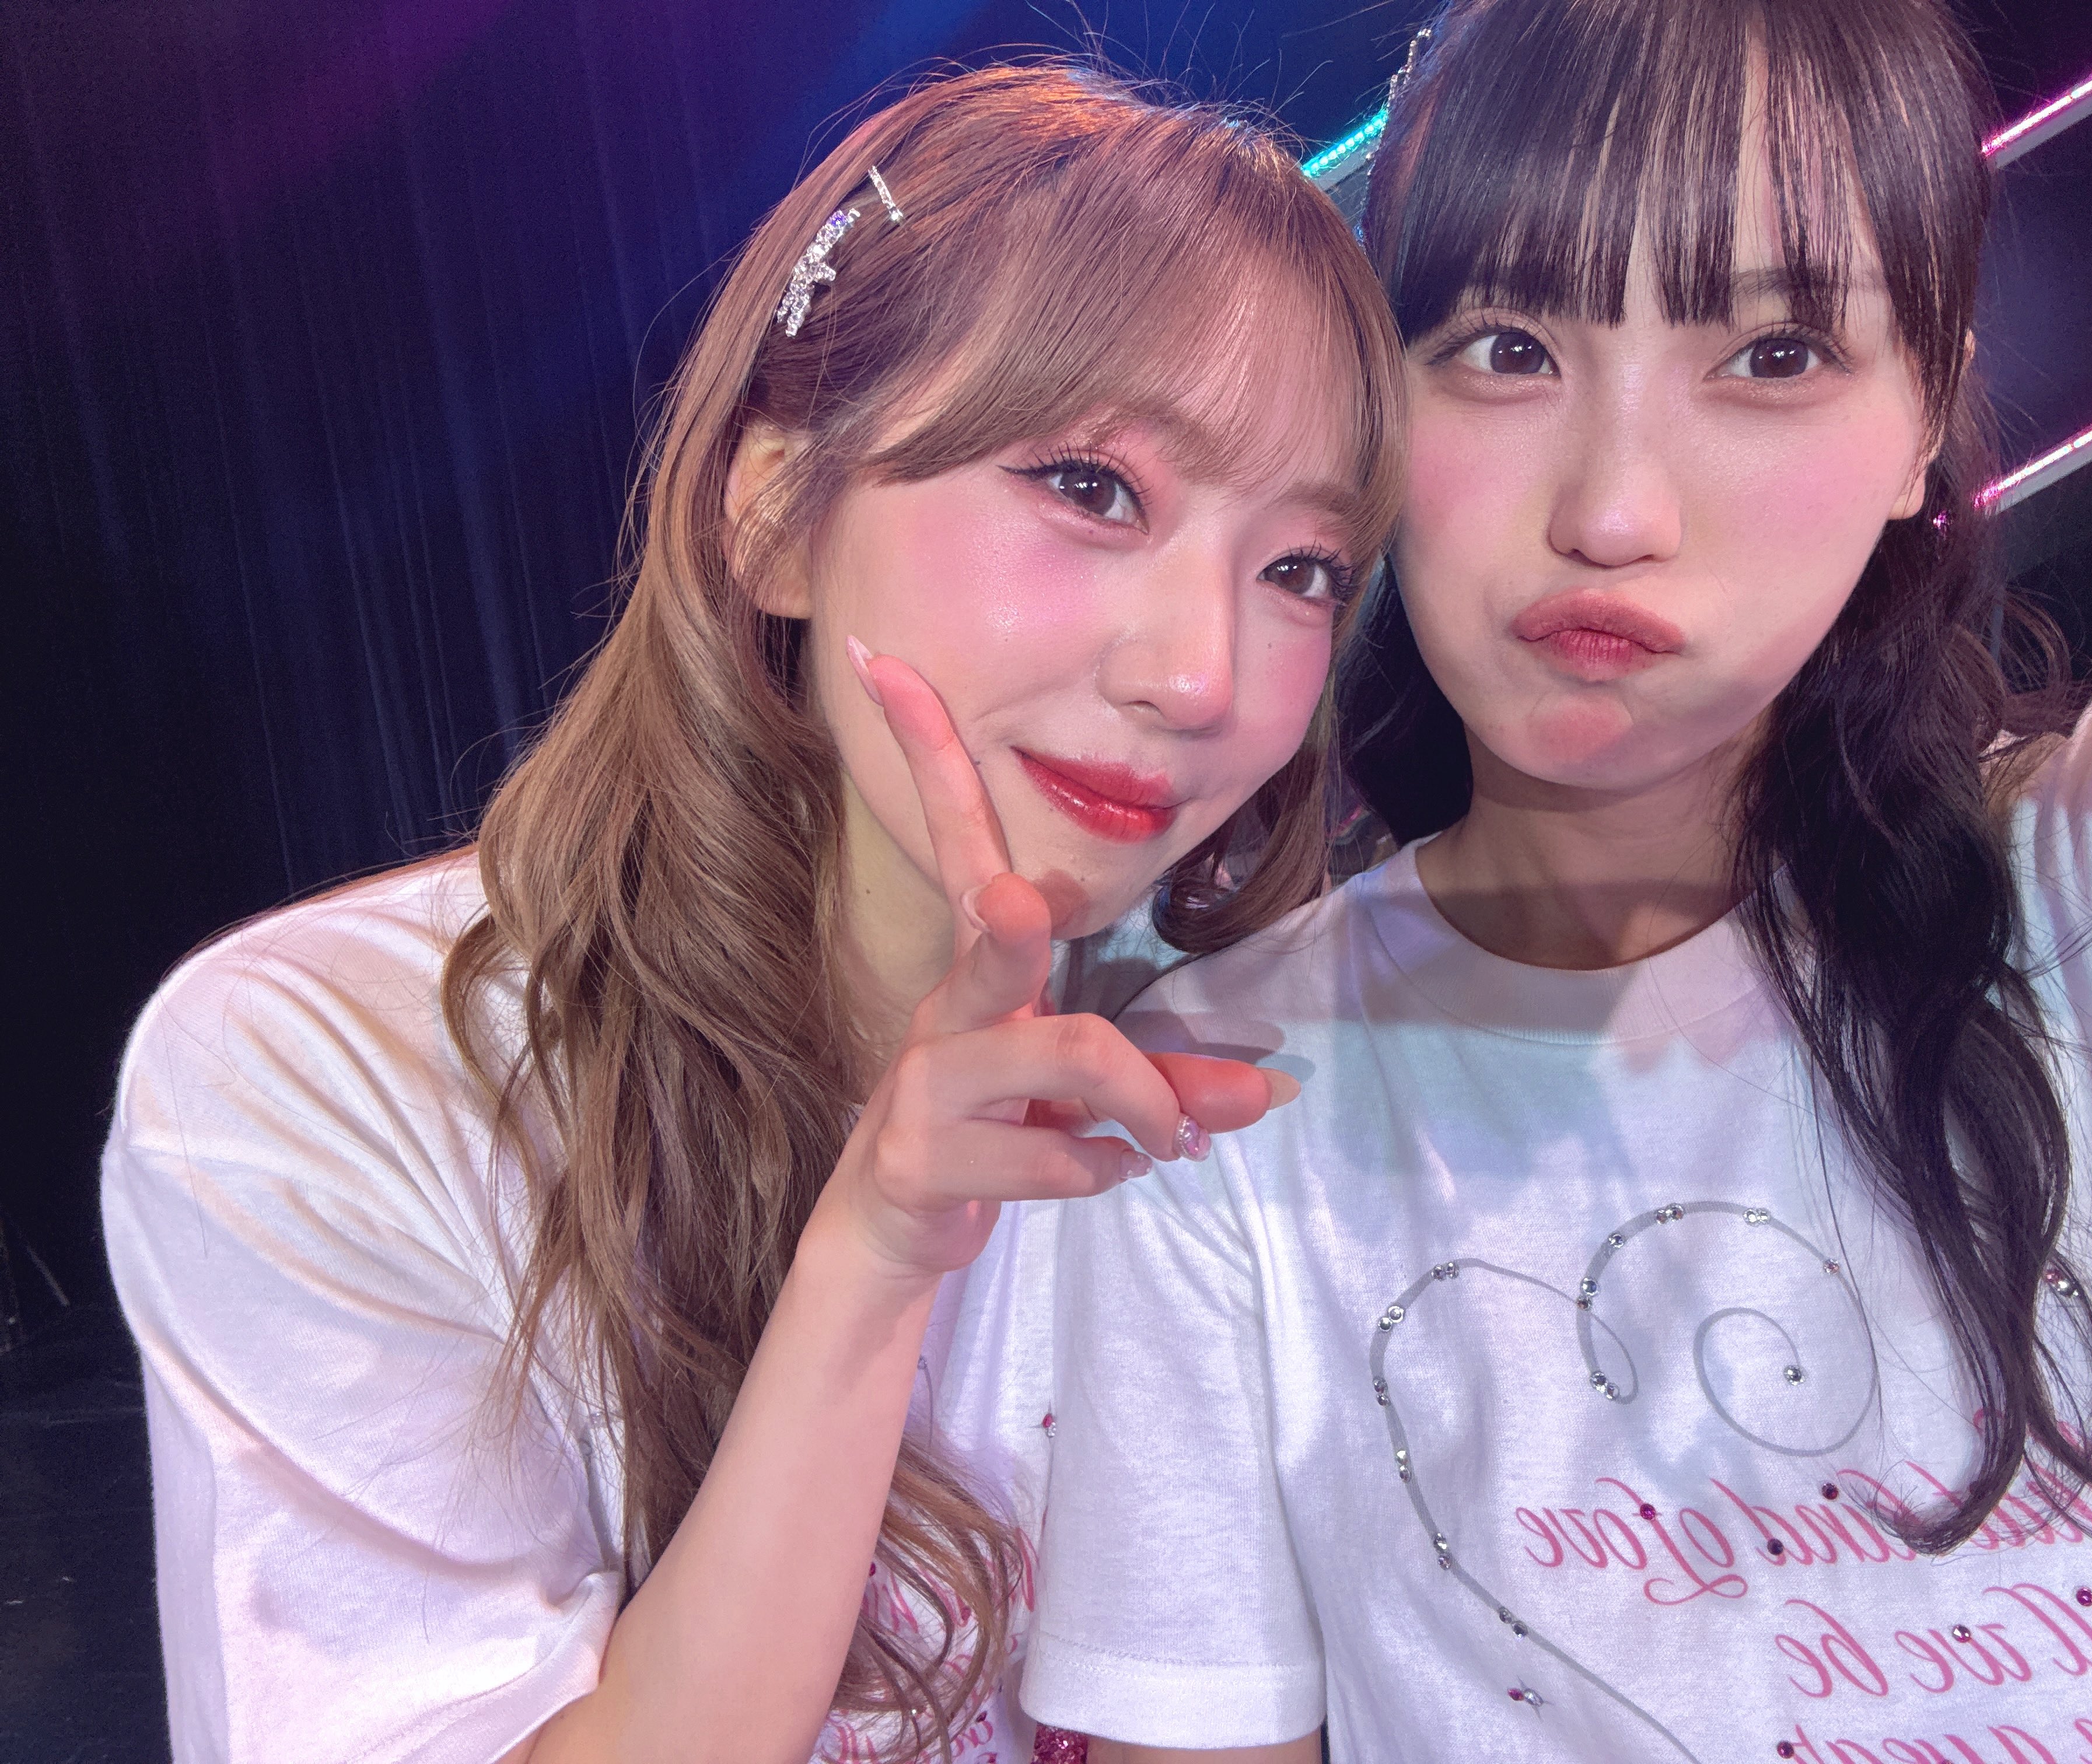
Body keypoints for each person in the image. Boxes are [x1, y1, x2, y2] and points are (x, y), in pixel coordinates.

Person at [1024, 2, 2092, 1759]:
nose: (1617, 511)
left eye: (1774, 355)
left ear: (1924, 417)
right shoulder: (1222, 1101)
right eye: (1506, 345)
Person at [101, 64, 1403, 1764]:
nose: (1202, 675)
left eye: (1301, 570)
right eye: (1092, 486)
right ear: (778, 512)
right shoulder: (323, 1072)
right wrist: (872, 1260)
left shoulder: (1233, 1078)